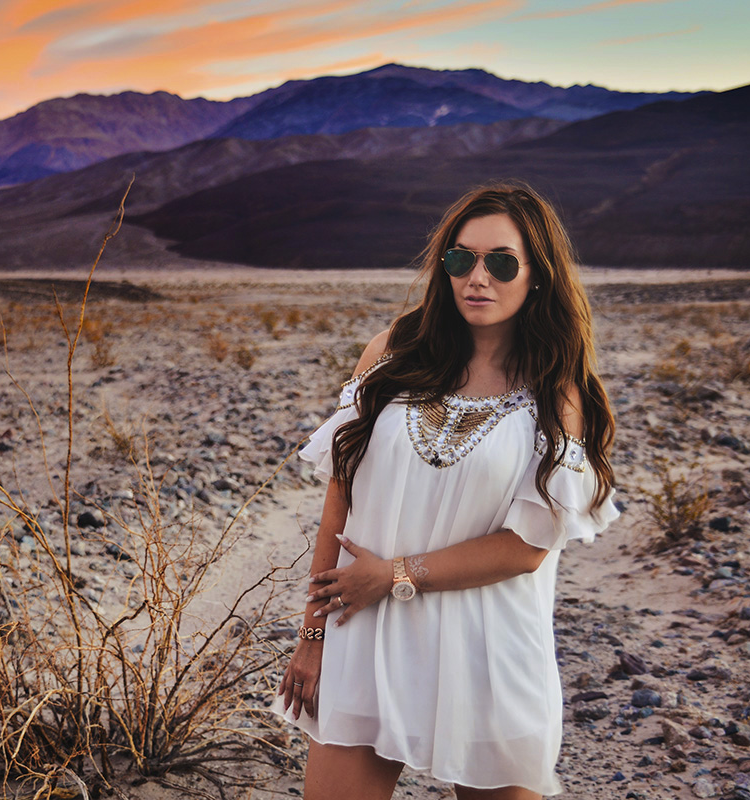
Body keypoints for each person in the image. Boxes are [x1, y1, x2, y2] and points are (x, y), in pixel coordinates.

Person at [276, 182, 620, 800]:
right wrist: (312, 637)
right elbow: (340, 499)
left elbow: (527, 547)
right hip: (366, 628)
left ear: (538, 274)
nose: (477, 278)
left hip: (487, 650)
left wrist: (395, 574)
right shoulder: (391, 355)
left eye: (501, 262)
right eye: (460, 259)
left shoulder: (557, 391)